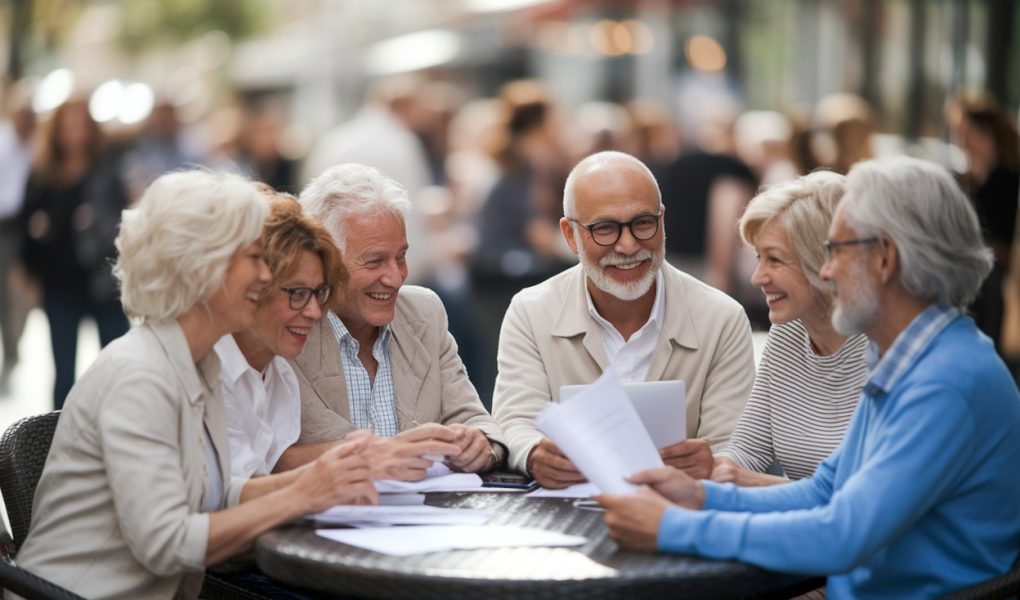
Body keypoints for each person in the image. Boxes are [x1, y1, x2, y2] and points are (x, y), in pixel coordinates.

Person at [598, 156, 1020, 600]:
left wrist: (675, 527)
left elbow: (841, 535)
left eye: (836, 250)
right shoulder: (910, 360)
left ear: (884, 259)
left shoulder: (944, 382)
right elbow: (826, 490)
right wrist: (700, 498)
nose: (827, 271)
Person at [14, 171, 377, 600]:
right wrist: (302, 494)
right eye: (254, 258)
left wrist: (331, 475)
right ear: (201, 266)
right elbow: (166, 546)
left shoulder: (195, 363)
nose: (265, 277)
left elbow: (220, 495)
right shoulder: (141, 375)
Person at [492, 151, 756, 488]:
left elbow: (734, 446)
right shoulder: (531, 311)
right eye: (605, 229)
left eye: (643, 223)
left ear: (662, 220)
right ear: (570, 235)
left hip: (681, 516)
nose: (628, 245)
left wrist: (713, 463)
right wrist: (534, 454)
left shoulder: (721, 318)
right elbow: (514, 420)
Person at [218, 186, 462, 485]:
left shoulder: (274, 369)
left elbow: (260, 473)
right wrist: (364, 459)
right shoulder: (218, 365)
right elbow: (237, 495)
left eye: (318, 292)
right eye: (297, 293)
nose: (314, 311)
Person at [283, 163, 506, 476]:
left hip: (432, 516)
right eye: (374, 261)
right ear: (324, 261)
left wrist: (479, 443)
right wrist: (378, 455)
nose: (395, 277)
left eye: (400, 256)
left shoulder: (424, 313)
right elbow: (269, 458)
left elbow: (476, 419)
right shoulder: (287, 329)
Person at [710, 171, 870, 486]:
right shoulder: (789, 331)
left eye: (775, 260)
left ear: (823, 262)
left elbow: (864, 501)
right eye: (759, 258)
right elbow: (747, 449)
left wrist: (749, 482)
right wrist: (709, 469)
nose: (757, 278)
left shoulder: (883, 345)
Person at [17, 99, 130, 408]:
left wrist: (95, 221)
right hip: (60, 283)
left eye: (80, 125)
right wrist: (28, 261)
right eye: (68, 126)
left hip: (103, 281)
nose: (74, 134)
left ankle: (119, 433)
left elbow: (124, 220)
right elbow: (26, 225)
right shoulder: (43, 173)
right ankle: (57, 443)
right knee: (63, 374)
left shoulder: (107, 169)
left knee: (118, 367)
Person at [0, 79, 36, 392]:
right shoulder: (3, 145)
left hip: (30, 228)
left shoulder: (40, 147)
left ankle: (13, 350)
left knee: (22, 296)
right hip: (5, 228)